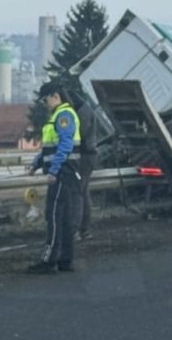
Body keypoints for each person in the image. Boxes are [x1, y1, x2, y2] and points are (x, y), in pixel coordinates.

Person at [26, 81, 83, 274]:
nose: (44, 104)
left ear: (55, 96)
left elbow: (65, 146)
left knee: (54, 216)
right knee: (65, 218)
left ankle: (49, 260)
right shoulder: (60, 115)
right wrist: (36, 163)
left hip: (62, 173)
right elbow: (49, 148)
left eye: (45, 99)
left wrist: (53, 170)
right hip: (65, 172)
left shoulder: (63, 116)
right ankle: (65, 261)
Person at [70, 91, 97, 241]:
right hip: (88, 157)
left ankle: (76, 230)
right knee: (83, 193)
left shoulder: (82, 114)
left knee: (77, 193)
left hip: (84, 157)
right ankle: (84, 229)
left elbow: (78, 135)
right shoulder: (86, 110)